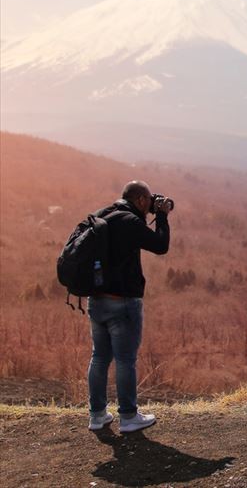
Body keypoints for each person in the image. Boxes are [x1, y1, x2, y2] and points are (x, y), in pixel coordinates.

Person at [87, 180, 171, 433]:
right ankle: (129, 417)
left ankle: (97, 415)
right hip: (122, 301)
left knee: (99, 357)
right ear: (142, 200)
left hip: (96, 298)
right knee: (125, 360)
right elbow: (160, 245)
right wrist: (163, 217)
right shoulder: (130, 222)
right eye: (149, 203)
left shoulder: (103, 214)